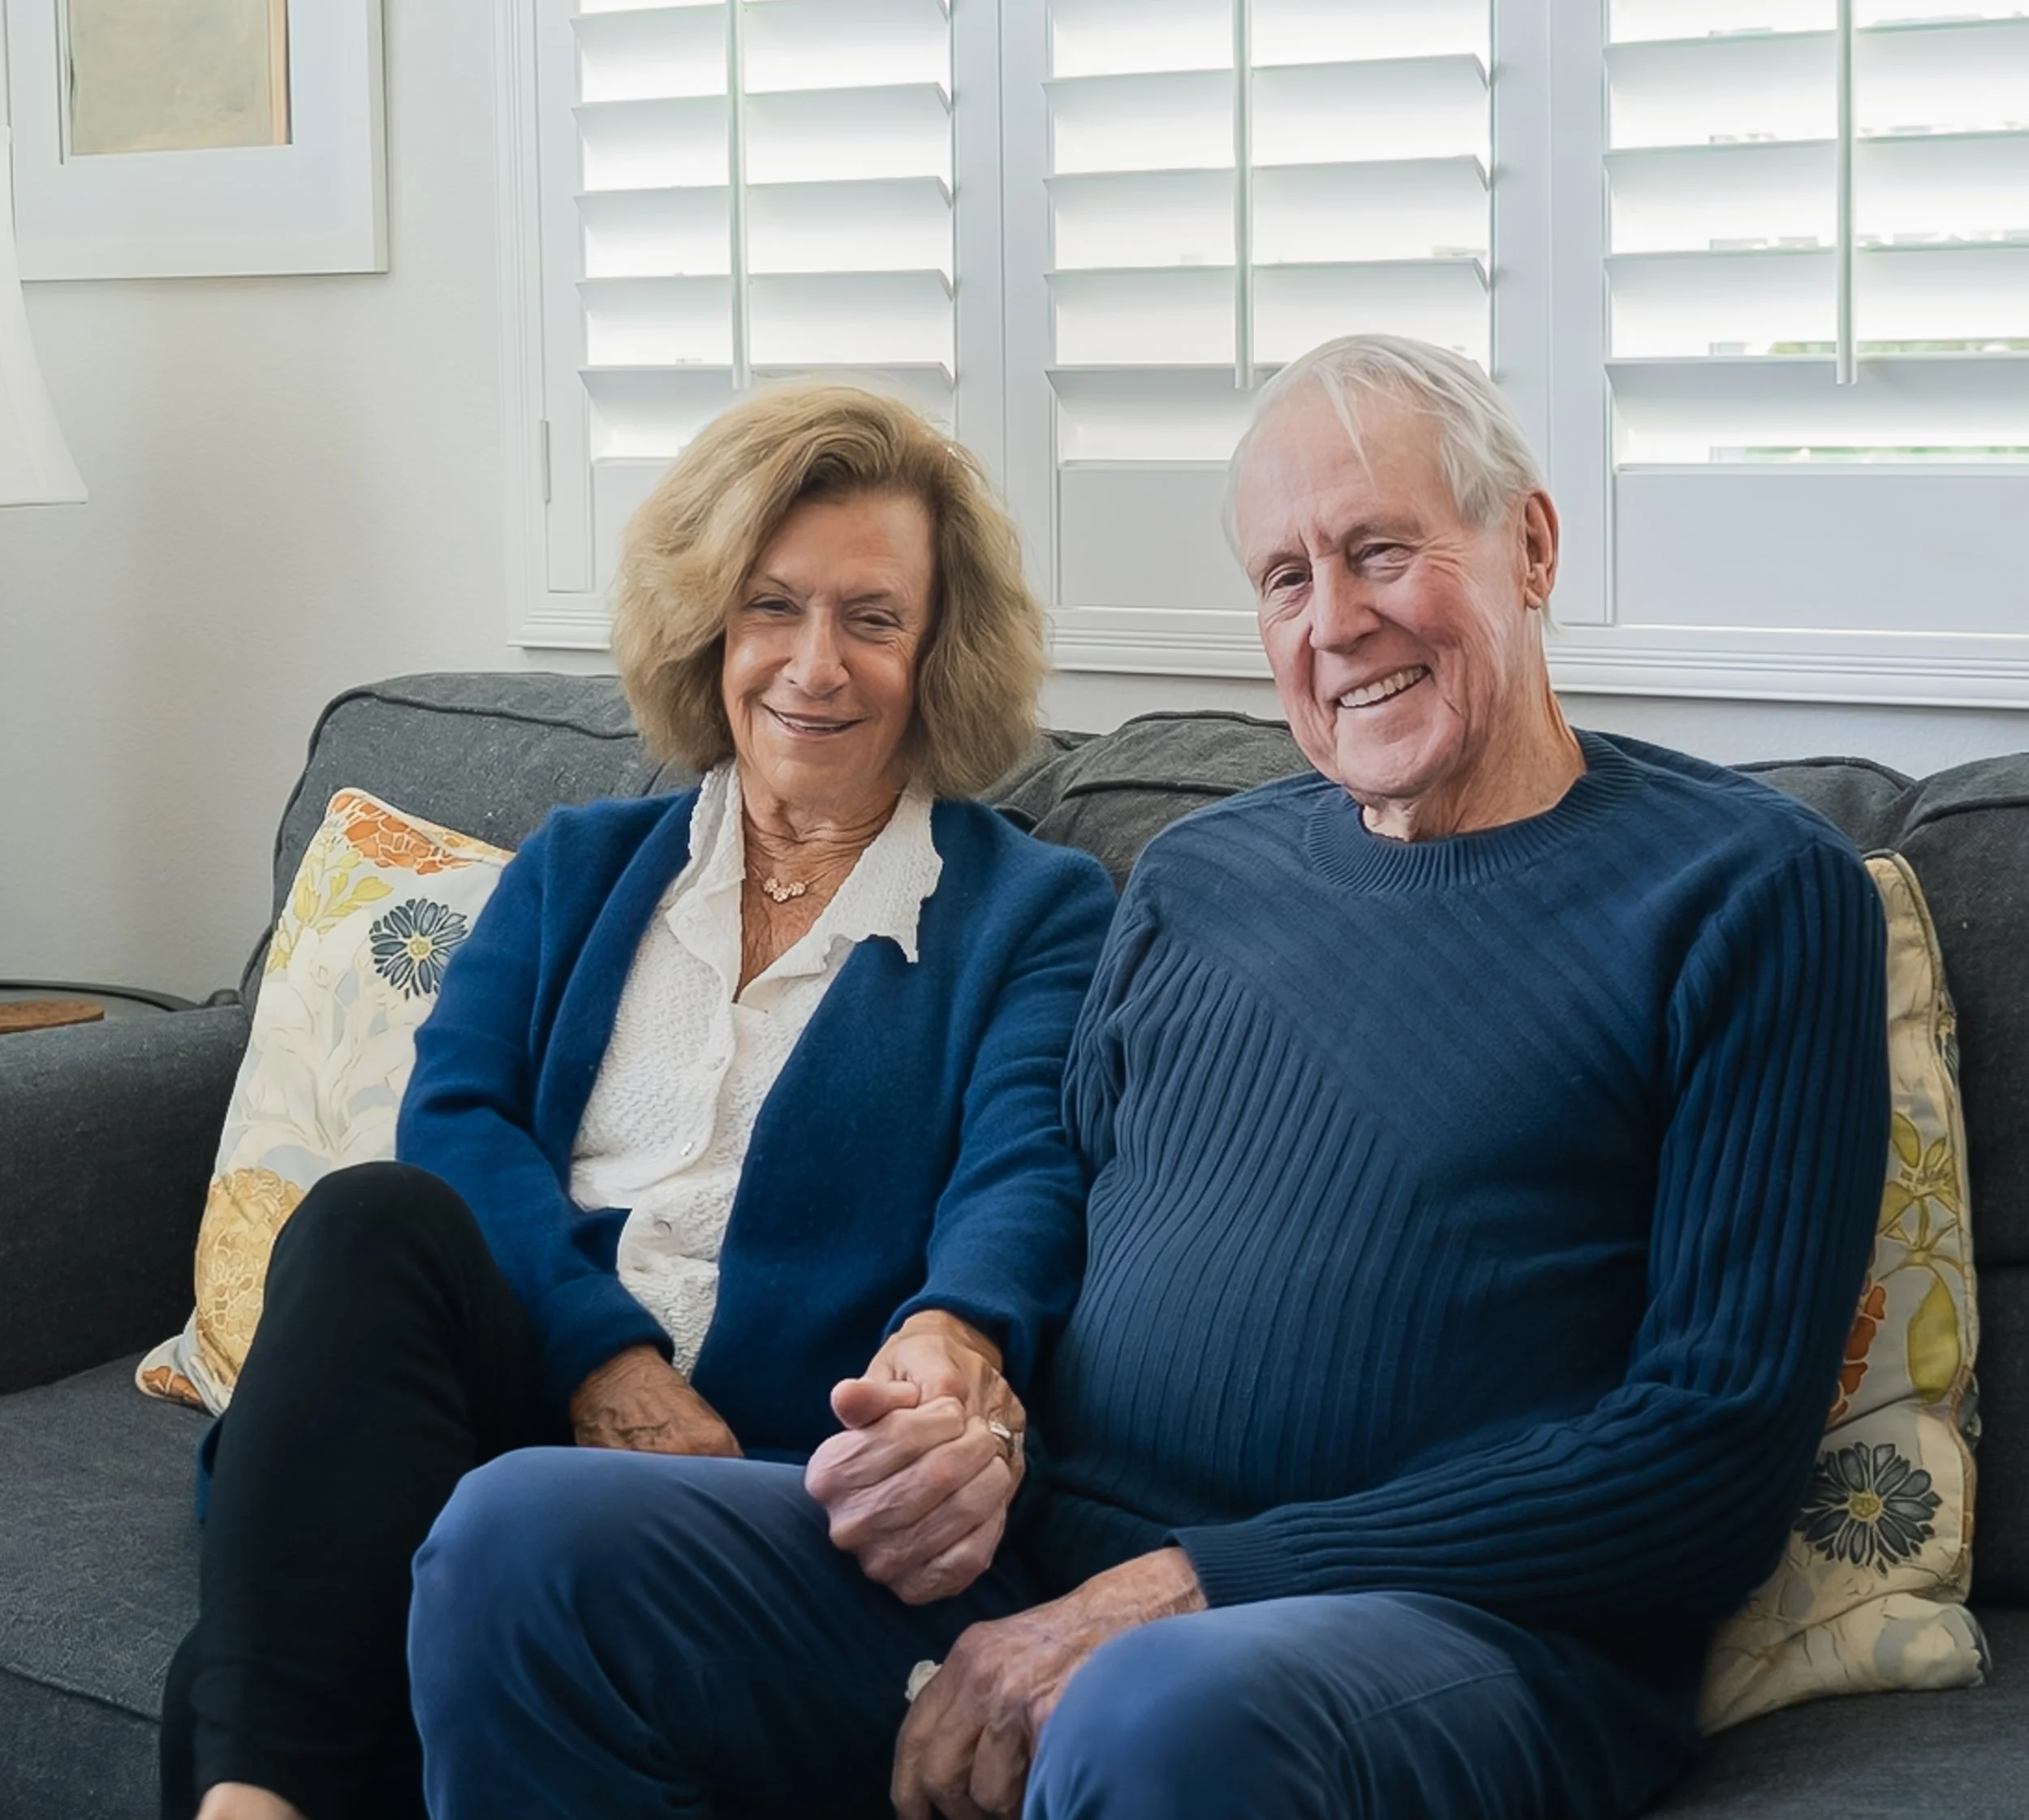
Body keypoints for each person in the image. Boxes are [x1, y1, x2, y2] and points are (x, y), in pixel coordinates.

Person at [407, 335, 1890, 1820]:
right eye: (1287, 578)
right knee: (523, 1539)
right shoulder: (1194, 876)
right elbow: (1048, 1225)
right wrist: (971, 1424)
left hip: (1446, 1630)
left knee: (1157, 1708)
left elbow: (1709, 1459)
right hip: (1049, 1571)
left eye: (1381, 550)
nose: (1340, 621)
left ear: (1534, 545)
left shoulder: (1749, 894)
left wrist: (1183, 1588)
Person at [157, 382, 1116, 1820]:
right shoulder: (582, 862)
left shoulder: (1030, 909)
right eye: (770, 606)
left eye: (872, 617)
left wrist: (954, 1327)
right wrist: (605, 1359)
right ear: (707, 626)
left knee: (295, 1628)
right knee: (372, 1218)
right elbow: (461, 1118)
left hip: (771, 1470)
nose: (814, 663)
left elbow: (1026, 1163)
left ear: (939, 651)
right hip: (516, 1392)